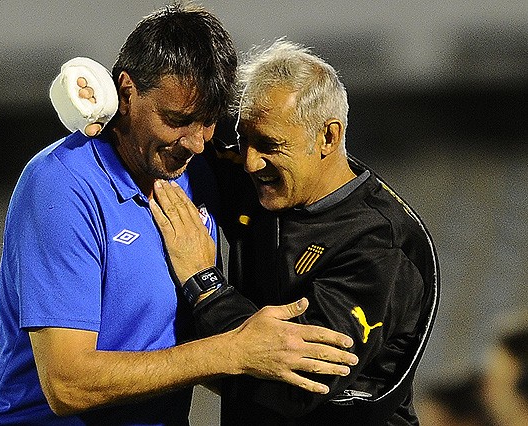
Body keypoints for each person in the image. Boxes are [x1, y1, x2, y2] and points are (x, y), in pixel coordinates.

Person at [0, 6, 359, 426]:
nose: (195, 142)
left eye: (208, 122)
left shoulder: (195, 172)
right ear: (126, 90)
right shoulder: (61, 184)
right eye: (177, 120)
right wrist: (232, 351)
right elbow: (67, 384)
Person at [149, 39, 440, 424]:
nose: (250, 162)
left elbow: (291, 386)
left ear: (328, 138)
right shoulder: (267, 180)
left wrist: (204, 285)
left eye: (269, 145)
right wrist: (105, 102)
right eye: (244, 139)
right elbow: (174, 128)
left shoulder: (380, 248)